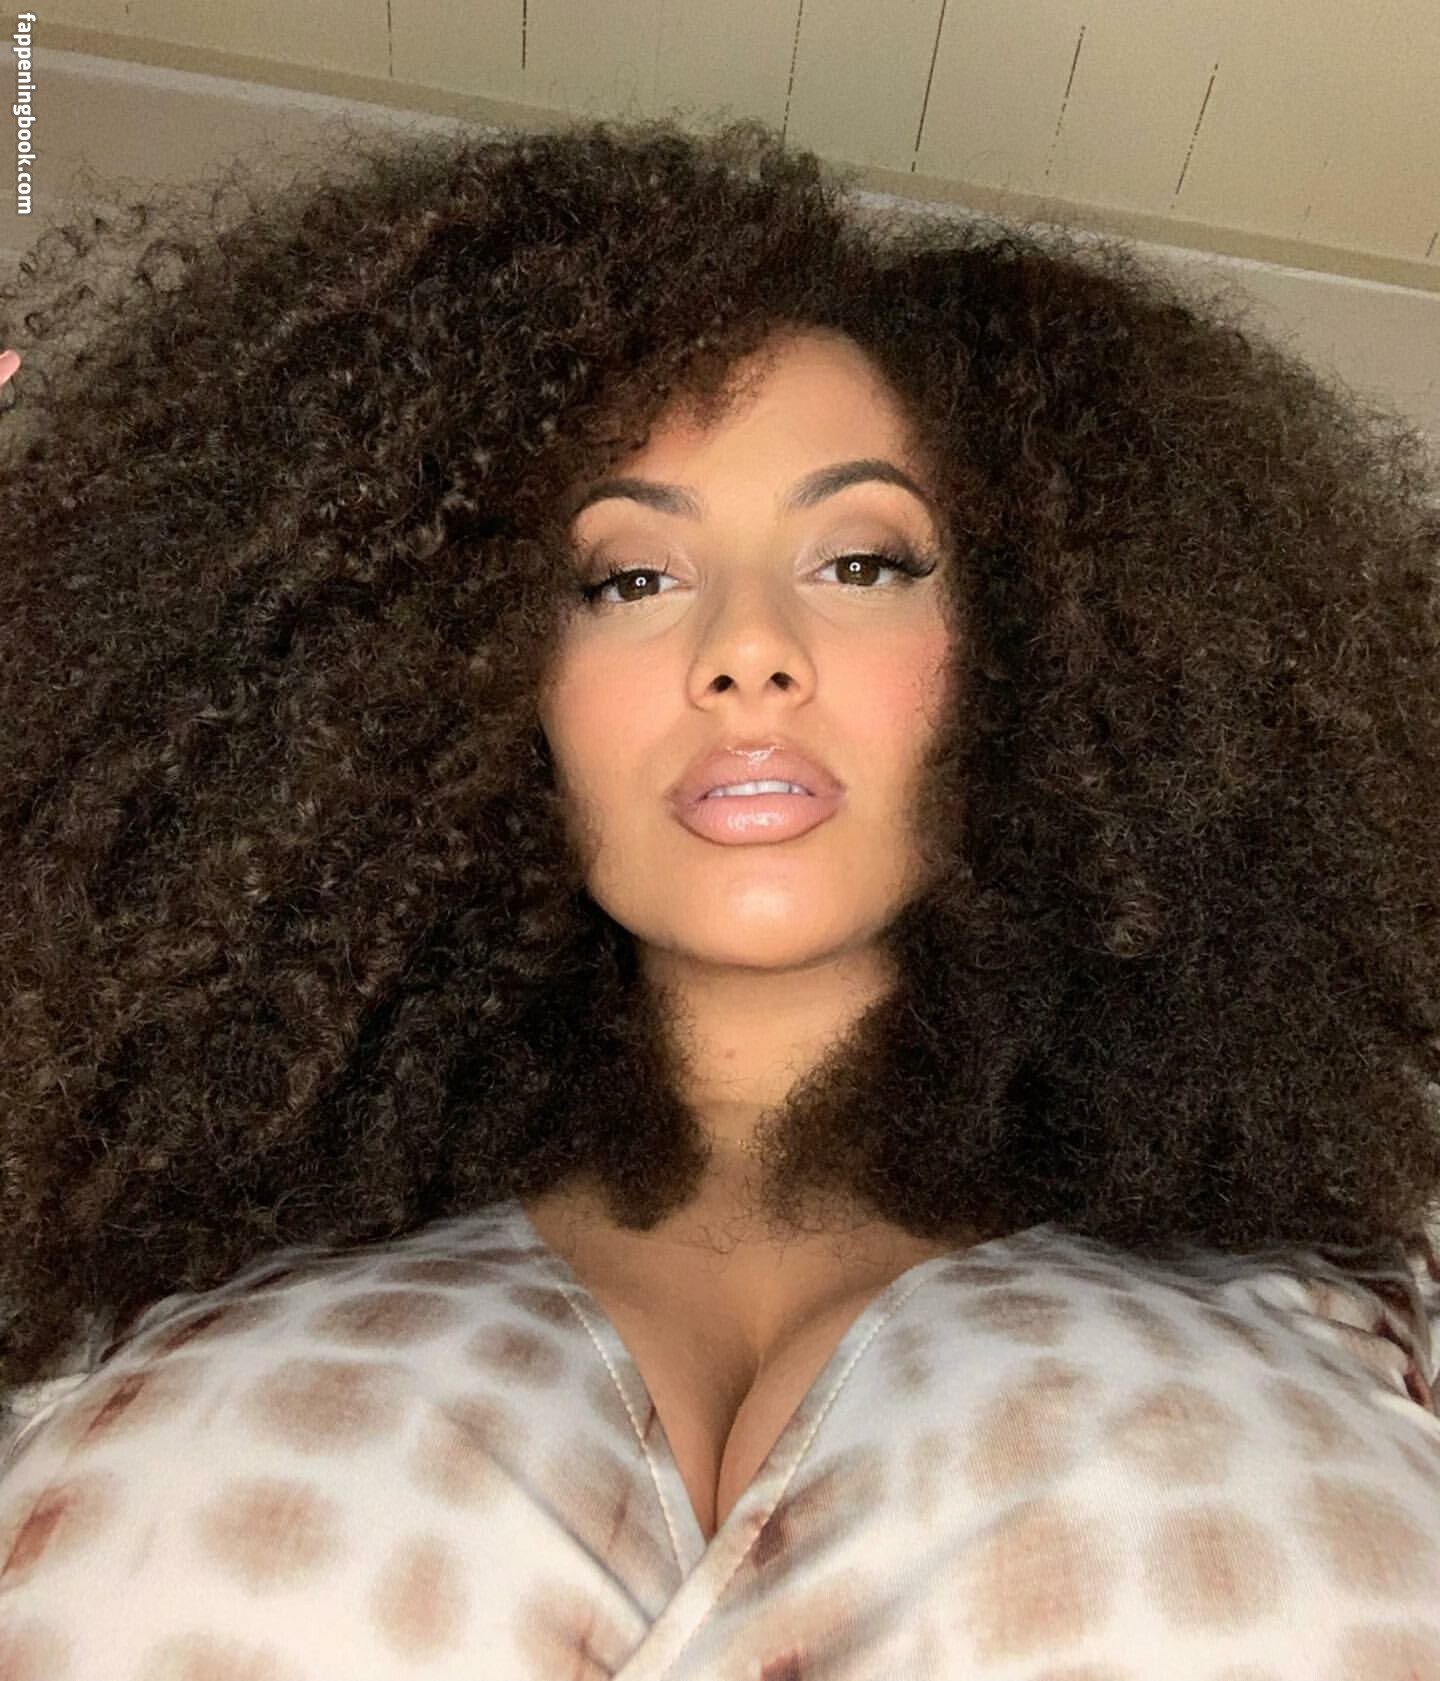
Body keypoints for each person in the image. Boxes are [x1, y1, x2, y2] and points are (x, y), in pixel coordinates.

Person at [1, 115, 1439, 1676]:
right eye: (629, 578)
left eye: (862, 562)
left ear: (1038, 649)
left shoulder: (1376, 1251)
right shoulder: (130, 1255)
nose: (747, 650)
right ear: (461, 677)